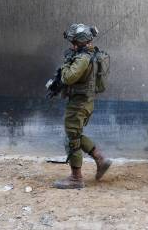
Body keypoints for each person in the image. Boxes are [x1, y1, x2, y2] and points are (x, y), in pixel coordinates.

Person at [48, 23, 112, 189]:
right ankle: (100, 159)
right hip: (84, 101)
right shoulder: (90, 54)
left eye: (73, 42)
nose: (71, 45)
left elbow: (69, 77)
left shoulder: (83, 58)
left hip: (79, 103)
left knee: (72, 138)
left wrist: (65, 64)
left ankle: (76, 178)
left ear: (79, 42)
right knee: (75, 134)